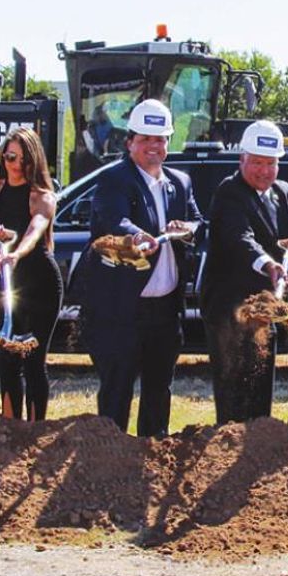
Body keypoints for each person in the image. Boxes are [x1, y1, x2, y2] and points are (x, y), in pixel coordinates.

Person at [80, 99, 203, 437]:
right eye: (146, 139)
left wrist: (189, 229)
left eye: (161, 139)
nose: (154, 146)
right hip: (124, 308)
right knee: (117, 389)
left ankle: (153, 453)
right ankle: (111, 459)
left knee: (158, 390)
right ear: (130, 142)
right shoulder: (114, 179)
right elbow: (112, 218)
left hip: (166, 309)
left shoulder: (180, 182)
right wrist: (136, 236)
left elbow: (197, 221)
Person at [199, 120, 288, 425]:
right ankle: (226, 445)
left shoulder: (283, 192)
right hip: (230, 309)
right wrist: (268, 263)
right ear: (242, 160)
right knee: (234, 389)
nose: (264, 171)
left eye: (271, 163)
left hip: (265, 309)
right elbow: (240, 238)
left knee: (261, 385)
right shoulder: (229, 191)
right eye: (257, 163)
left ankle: (257, 444)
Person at [0, 127, 64, 421]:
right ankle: (11, 429)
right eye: (11, 156)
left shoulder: (44, 196)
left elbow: (35, 230)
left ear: (34, 161)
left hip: (41, 283)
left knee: (34, 359)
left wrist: (16, 252)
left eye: (23, 159)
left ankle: (35, 432)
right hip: (7, 284)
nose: (15, 165)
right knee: (7, 359)